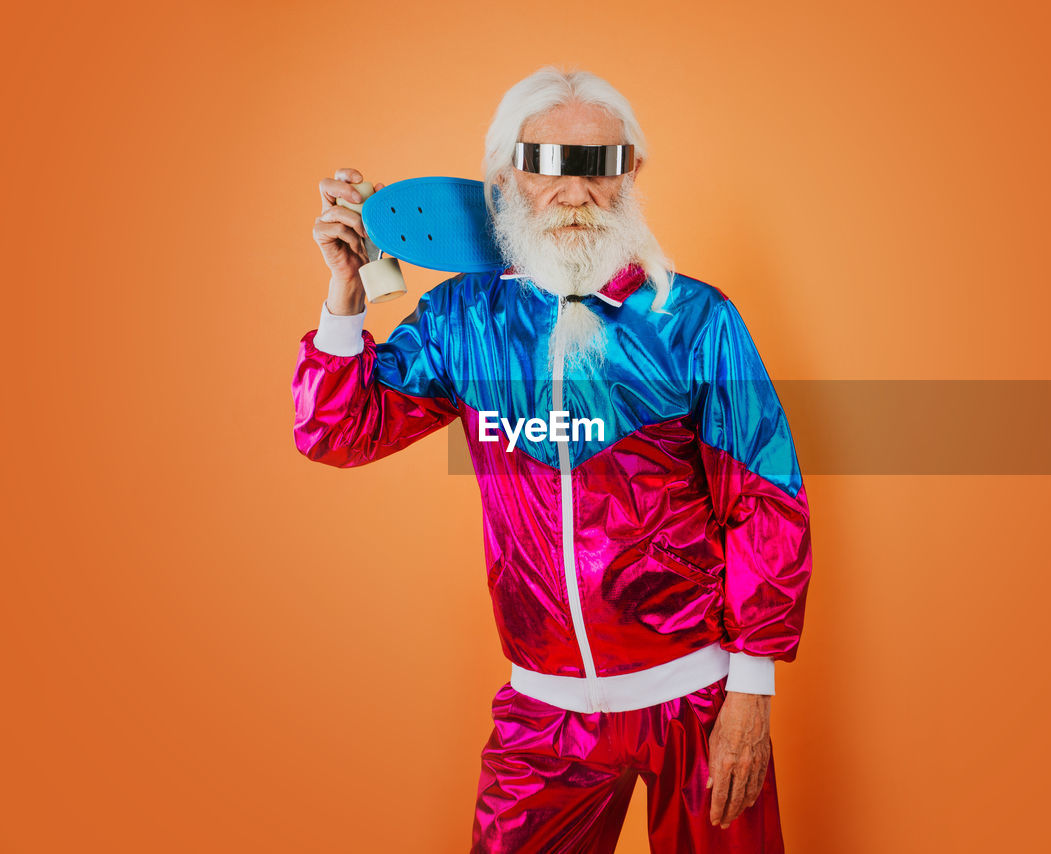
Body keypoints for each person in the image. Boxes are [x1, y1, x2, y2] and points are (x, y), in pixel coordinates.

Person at [293, 66, 813, 853]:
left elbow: (766, 500)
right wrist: (346, 295)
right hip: (544, 713)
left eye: (599, 166)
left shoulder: (692, 319)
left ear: (631, 173)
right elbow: (340, 431)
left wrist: (752, 688)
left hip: (697, 699)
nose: (575, 192)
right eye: (547, 166)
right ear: (506, 178)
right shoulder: (462, 320)